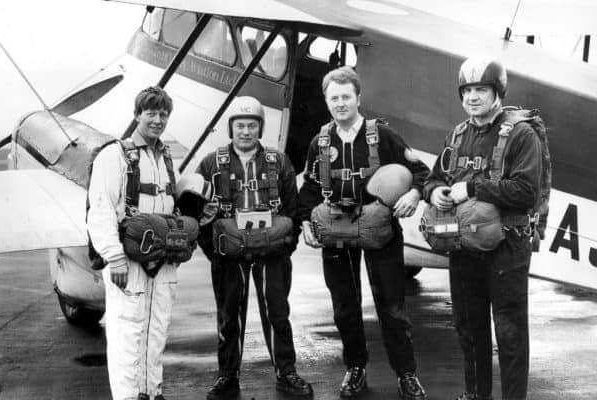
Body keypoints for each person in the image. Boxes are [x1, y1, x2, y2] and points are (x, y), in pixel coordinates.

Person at [297, 66, 430, 400]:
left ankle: (407, 374)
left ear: (358, 98)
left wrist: (414, 194)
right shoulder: (320, 143)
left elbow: (421, 173)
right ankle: (355, 368)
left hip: (379, 228)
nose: (340, 103)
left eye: (346, 96)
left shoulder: (382, 136)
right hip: (337, 231)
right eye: (334, 98)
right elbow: (310, 189)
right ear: (326, 101)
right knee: (344, 306)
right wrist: (304, 224)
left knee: (392, 306)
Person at [423, 57, 542, 400]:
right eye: (468, 90)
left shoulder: (521, 134)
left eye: (481, 90)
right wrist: (437, 192)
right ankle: (477, 395)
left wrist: (473, 189)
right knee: (469, 328)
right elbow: (435, 176)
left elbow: (526, 192)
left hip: (508, 246)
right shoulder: (458, 135)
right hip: (465, 247)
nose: (473, 97)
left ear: (497, 92)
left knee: (509, 332)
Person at [195, 96, 313, 399]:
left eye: (251, 125)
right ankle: (227, 376)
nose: (245, 131)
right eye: (240, 125)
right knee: (228, 316)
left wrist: (284, 245)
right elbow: (197, 212)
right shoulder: (211, 163)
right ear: (231, 128)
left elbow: (293, 209)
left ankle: (286, 372)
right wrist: (215, 251)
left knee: (278, 313)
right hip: (228, 257)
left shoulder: (278, 162)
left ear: (259, 129)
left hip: (271, 255)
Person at [87, 86, 180, 400]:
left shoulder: (166, 158)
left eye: (163, 113)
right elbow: (100, 208)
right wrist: (113, 257)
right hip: (127, 262)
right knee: (127, 333)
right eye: (150, 113)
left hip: (162, 262)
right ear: (137, 114)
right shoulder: (114, 156)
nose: (157, 120)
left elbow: (172, 205)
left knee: (156, 334)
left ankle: (151, 393)